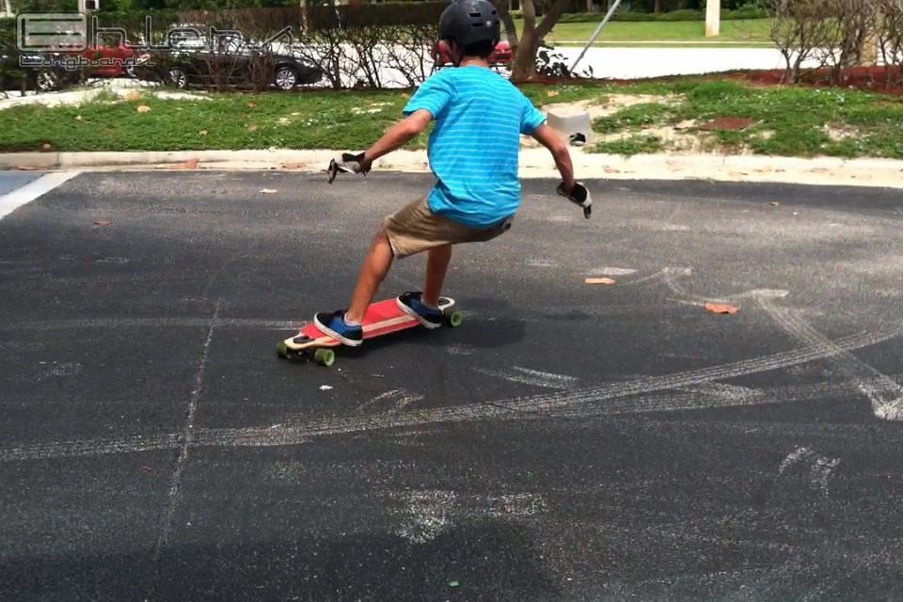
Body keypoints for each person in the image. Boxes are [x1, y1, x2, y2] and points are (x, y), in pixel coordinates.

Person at [314, 0, 591, 347]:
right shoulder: (512, 93)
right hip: (501, 215)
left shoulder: (447, 82)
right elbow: (560, 147)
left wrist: (365, 158)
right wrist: (572, 188)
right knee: (439, 223)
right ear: (493, 46)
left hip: (462, 207)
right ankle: (429, 306)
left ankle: (350, 324)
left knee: (387, 235)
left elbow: (411, 127)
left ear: (450, 45)